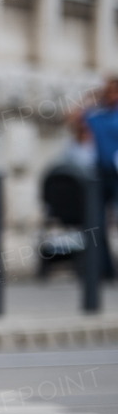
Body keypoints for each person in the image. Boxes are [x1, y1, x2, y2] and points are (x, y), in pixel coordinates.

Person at [82, 76, 118, 280]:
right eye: (108, 91)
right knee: (98, 221)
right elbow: (73, 116)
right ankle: (105, 268)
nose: (110, 95)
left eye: (114, 91)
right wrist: (92, 97)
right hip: (102, 174)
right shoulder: (99, 116)